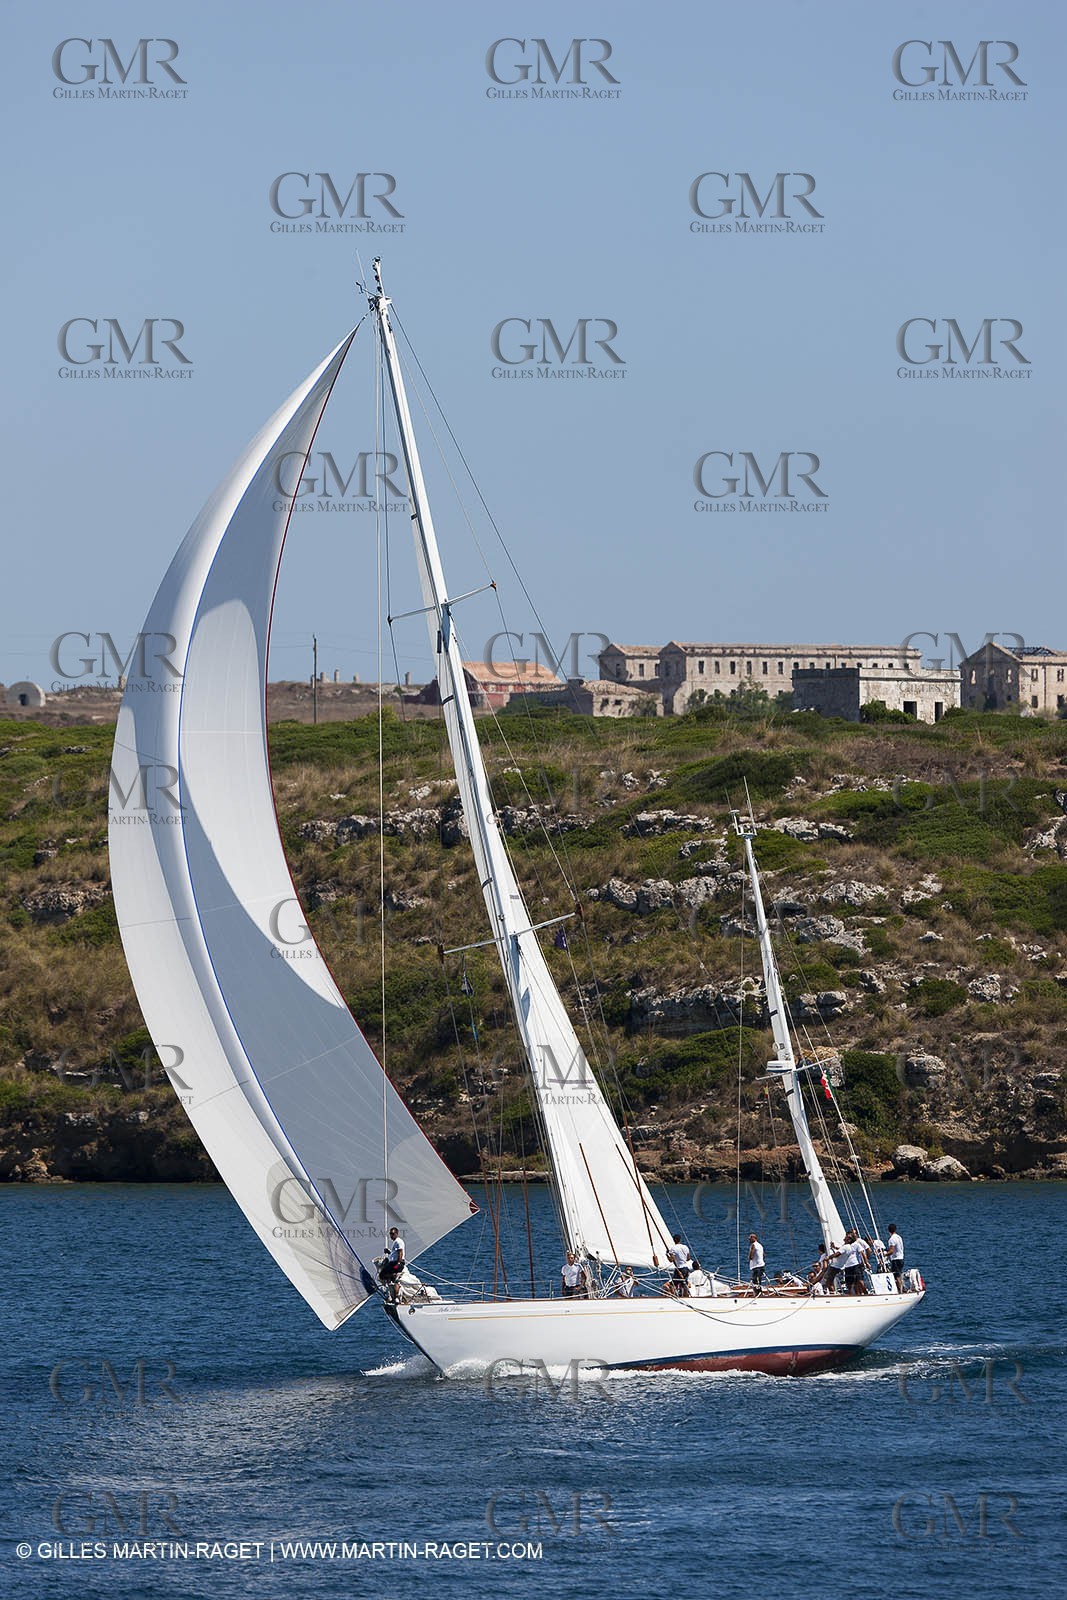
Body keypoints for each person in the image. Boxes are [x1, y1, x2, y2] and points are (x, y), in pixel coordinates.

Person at [887, 1225, 905, 1292]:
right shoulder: (899, 1237)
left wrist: (885, 1254)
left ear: (888, 1230)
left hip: (896, 1259)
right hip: (901, 1258)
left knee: (896, 1276)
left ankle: (900, 1291)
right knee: (899, 1275)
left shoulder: (892, 1239)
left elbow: (891, 1251)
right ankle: (902, 1289)